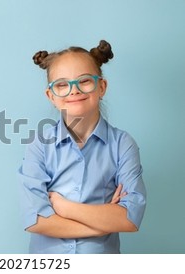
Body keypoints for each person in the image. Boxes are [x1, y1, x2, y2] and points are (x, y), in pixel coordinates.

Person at [18, 40, 147, 253]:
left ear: (102, 87)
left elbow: (129, 219)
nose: (74, 90)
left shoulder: (122, 144)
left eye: (84, 81)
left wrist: (64, 208)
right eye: (61, 85)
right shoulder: (40, 145)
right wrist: (101, 225)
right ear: (51, 96)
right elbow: (36, 220)